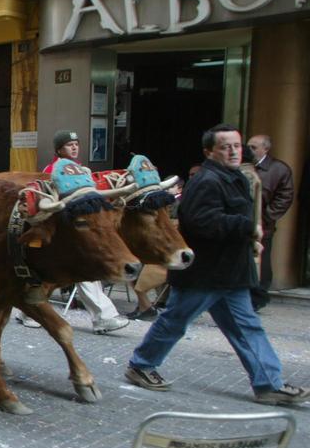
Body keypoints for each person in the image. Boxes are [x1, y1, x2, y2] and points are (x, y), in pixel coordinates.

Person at [125, 125, 307, 406]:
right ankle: (140, 365)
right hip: (205, 273)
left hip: (229, 272)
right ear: (210, 152)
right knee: (176, 321)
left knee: (247, 328)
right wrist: (247, 228)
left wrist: (249, 239)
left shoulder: (233, 178)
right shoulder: (208, 181)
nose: (234, 151)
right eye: (226, 146)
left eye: (236, 145)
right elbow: (200, 222)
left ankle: (269, 384)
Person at [42, 130, 130, 334]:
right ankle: (104, 317)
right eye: (68, 145)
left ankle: (28, 312)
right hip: (65, 230)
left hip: (81, 230)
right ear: (59, 149)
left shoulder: (83, 170)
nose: (74, 147)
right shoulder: (51, 170)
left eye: (76, 144)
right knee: (84, 271)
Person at [246, 134, 295, 310]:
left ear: (265, 149)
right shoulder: (244, 167)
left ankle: (258, 297)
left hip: (263, 224)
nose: (249, 150)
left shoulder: (279, 169)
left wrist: (265, 217)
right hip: (242, 221)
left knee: (262, 261)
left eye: (254, 147)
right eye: (249, 146)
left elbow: (285, 197)